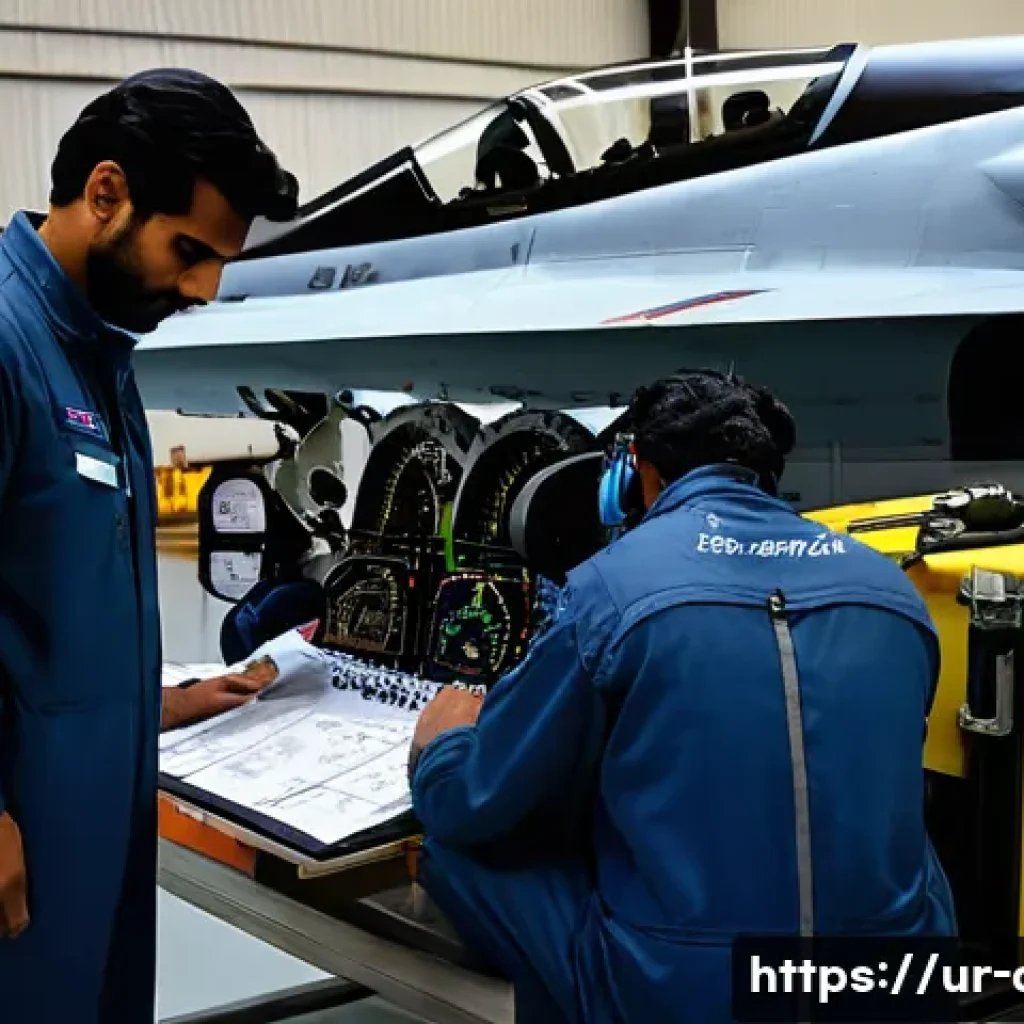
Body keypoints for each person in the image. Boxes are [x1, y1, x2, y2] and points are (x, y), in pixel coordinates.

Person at [409, 370, 957, 1023]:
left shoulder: (608, 592)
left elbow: (480, 802)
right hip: (893, 982)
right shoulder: (893, 590)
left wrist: (443, 749)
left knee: (455, 839)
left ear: (634, 475)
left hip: (689, 993)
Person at [0, 69, 297, 1022]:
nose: (205, 287)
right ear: (105, 193)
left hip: (96, 831)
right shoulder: (8, 343)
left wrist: (167, 701)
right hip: (26, 849)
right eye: (191, 250)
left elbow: (53, 595)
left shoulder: (99, 351)